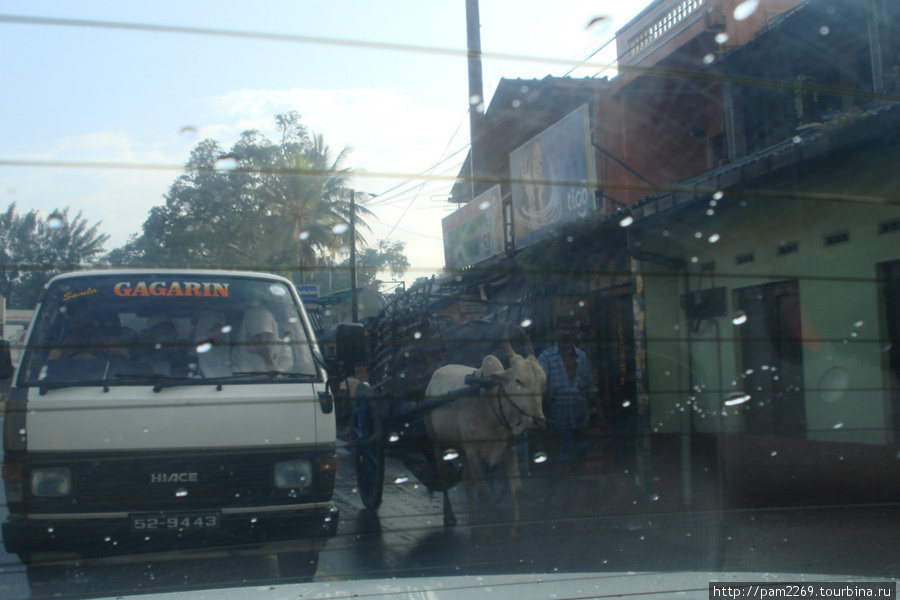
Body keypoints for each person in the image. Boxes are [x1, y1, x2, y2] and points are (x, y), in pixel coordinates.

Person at [537, 313, 597, 476]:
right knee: (557, 466)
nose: (567, 332)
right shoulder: (546, 358)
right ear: (556, 330)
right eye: (563, 329)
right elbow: (540, 390)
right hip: (556, 423)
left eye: (571, 329)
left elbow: (590, 388)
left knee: (578, 465)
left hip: (579, 422)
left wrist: (599, 415)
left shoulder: (582, 357)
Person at [231, 306, 293, 373]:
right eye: (258, 336)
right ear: (249, 335)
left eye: (266, 335)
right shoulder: (238, 352)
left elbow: (280, 378)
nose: (263, 339)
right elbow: (242, 378)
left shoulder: (283, 349)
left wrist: (266, 356)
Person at [193, 311, 233, 378]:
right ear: (204, 332)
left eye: (222, 329)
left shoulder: (230, 358)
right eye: (215, 329)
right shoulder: (195, 365)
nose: (221, 333)